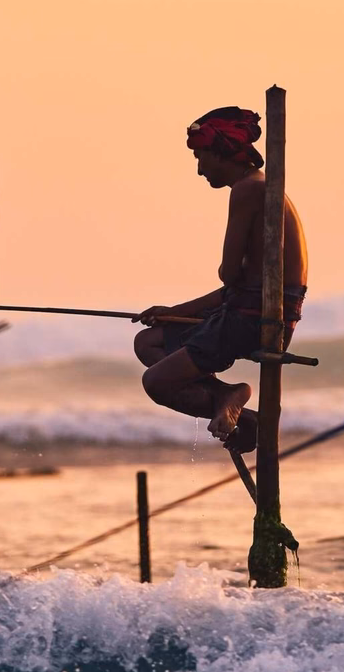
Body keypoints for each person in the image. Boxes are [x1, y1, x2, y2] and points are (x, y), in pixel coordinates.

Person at [132, 107, 310, 454]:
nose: (199, 169)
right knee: (148, 341)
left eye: (201, 157)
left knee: (155, 382)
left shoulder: (247, 190)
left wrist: (230, 275)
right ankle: (225, 398)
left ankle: (232, 400)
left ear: (221, 152)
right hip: (248, 308)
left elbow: (229, 275)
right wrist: (175, 311)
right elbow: (240, 285)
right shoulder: (260, 187)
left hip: (255, 319)